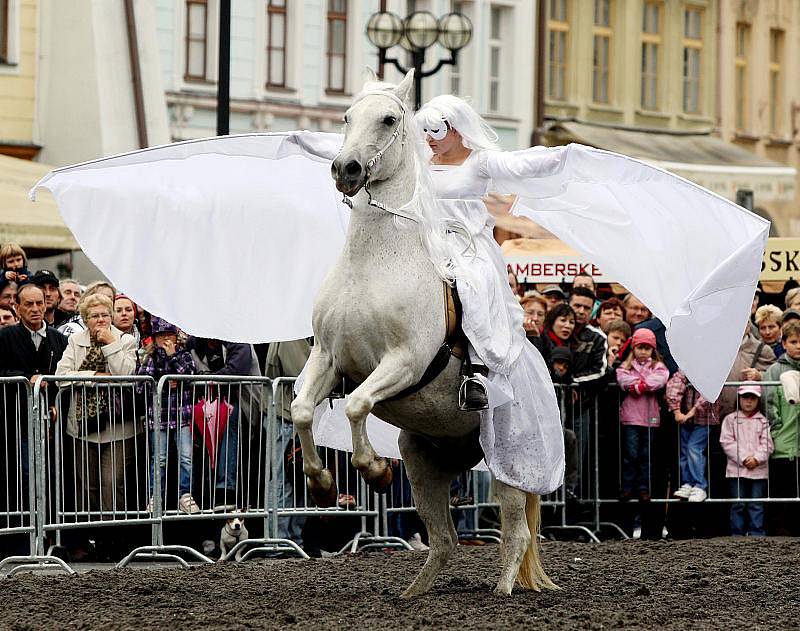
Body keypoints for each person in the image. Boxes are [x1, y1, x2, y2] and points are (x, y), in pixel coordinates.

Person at [55, 293, 138, 513]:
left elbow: (126, 375)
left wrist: (111, 345)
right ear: (85, 319)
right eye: (94, 316)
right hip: (82, 426)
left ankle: (115, 533)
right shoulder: (75, 340)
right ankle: (91, 536)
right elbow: (61, 375)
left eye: (105, 315)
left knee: (111, 483)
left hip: (118, 427)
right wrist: (94, 376)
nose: (100, 320)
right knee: (87, 485)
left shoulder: (125, 340)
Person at [0, 284, 67, 535]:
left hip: (51, 421)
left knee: (52, 476)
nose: (36, 309)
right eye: (28, 304)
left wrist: (55, 403)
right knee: (25, 477)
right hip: (16, 421)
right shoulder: (6, 337)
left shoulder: (59, 339)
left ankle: (50, 533)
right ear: (16, 308)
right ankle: (25, 535)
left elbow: (65, 376)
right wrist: (25, 378)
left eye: (39, 303)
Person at [188, 336, 261, 511]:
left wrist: (206, 377)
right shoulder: (195, 344)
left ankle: (225, 489)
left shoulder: (240, 340)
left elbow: (235, 371)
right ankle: (203, 494)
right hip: (210, 405)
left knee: (231, 420)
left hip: (244, 404)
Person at [137, 317, 199, 514]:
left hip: (182, 414)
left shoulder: (183, 354)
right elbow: (140, 384)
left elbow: (189, 374)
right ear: (154, 338)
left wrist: (173, 358)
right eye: (161, 335)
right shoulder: (151, 357)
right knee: (159, 458)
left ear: (176, 336)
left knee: (186, 457)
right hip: (158, 416)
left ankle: (185, 495)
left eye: (169, 335)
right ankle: (156, 496)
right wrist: (161, 384)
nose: (165, 340)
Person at [265, 338, 312, 545]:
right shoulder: (292, 337)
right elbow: (302, 374)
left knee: (296, 480)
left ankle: (289, 538)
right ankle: (281, 540)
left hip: (290, 414)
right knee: (283, 480)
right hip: (286, 415)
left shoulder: (289, 334)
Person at [615, 328, 669, 504]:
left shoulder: (657, 366)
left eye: (647, 348)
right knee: (631, 455)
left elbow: (661, 378)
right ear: (634, 348)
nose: (644, 351)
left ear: (653, 349)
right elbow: (622, 378)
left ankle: (643, 488)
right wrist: (638, 385)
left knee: (646, 456)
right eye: (640, 347)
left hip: (650, 418)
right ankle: (628, 487)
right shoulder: (627, 365)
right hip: (631, 417)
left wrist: (641, 385)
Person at [719, 383, 773, 537]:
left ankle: (757, 534)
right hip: (736, 470)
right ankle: (737, 534)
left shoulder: (763, 421)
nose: (748, 401)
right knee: (738, 503)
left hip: (758, 470)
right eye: (745, 397)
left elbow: (768, 444)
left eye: (753, 398)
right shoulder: (730, 419)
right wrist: (743, 458)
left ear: (758, 400)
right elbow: (727, 442)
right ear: (739, 398)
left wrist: (756, 459)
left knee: (756, 504)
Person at [763, 319, 800, 535]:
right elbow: (768, 403)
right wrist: (776, 429)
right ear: (784, 343)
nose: (798, 346)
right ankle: (778, 531)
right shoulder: (774, 370)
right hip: (783, 443)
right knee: (782, 490)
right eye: (794, 341)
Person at [665, 370, 720, 503]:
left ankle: (699, 485)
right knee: (684, 451)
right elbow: (675, 385)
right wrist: (676, 411)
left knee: (693, 448)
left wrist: (691, 412)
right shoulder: (686, 366)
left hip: (704, 419)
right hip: (685, 419)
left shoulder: (712, 368)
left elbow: (708, 393)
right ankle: (688, 483)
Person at [720, 325, 776, 417]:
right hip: (722, 412)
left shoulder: (763, 349)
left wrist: (760, 375)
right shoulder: (718, 348)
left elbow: (775, 375)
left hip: (754, 416)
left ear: (748, 326)